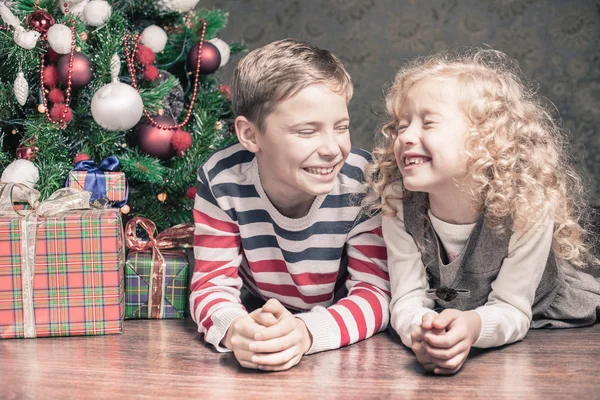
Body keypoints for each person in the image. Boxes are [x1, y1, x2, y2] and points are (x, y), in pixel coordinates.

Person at [363, 48, 600, 375]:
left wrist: (473, 327)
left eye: (428, 123)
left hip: (532, 310)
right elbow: (407, 298)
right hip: (447, 316)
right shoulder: (396, 201)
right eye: (401, 126)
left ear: (487, 141)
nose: (405, 137)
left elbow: (512, 309)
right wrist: (421, 330)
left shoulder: (528, 207)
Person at [190, 39, 390, 371]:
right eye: (307, 131)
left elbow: (375, 293)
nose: (331, 149)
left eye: (341, 127)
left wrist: (306, 332)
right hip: (258, 314)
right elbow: (211, 283)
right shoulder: (222, 181)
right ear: (251, 135)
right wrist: (236, 329)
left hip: (336, 337)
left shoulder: (362, 181)